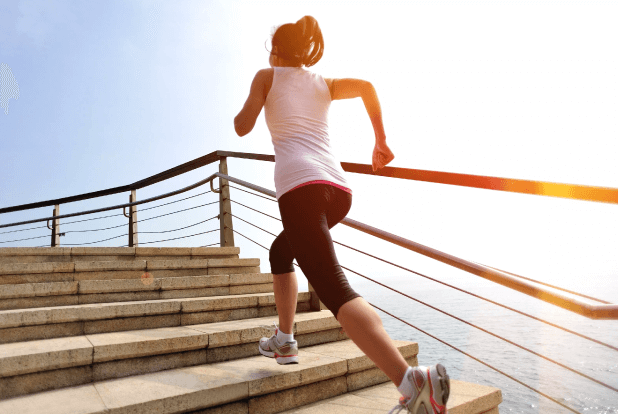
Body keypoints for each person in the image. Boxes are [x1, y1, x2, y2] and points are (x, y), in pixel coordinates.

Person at [234, 15, 450, 414]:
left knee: (334, 288)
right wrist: (381, 141)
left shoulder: (267, 75)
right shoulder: (322, 83)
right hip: (338, 189)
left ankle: (412, 381)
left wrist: (252, 102)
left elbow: (242, 127)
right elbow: (367, 87)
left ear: (276, 49)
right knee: (281, 253)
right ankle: (284, 339)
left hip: (300, 187)